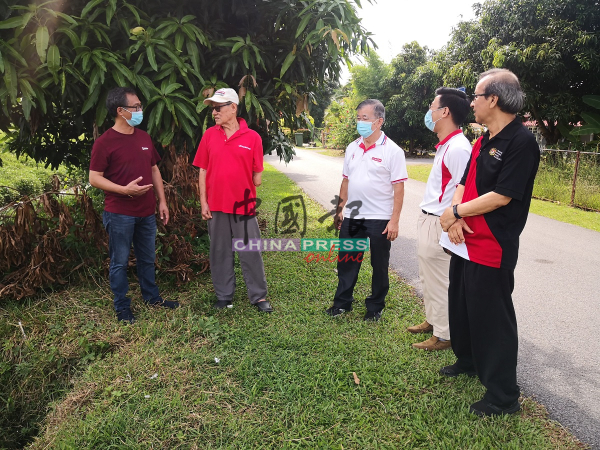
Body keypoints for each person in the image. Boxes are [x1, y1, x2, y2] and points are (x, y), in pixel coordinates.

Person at [439, 69, 540, 417]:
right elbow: (464, 180)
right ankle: (467, 361)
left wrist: (454, 212)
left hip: (492, 244)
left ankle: (503, 396)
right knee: (462, 305)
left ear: (493, 99)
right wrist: (457, 217)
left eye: (477, 97)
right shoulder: (483, 139)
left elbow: (502, 196)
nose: (472, 103)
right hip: (465, 238)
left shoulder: (521, 142)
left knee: (492, 318)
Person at [89, 87, 179, 324]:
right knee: (119, 262)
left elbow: (154, 169)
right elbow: (94, 177)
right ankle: (122, 308)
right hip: (119, 214)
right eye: (136, 107)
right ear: (120, 111)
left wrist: (162, 201)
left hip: (147, 212)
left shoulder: (144, 138)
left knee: (147, 258)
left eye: (140, 106)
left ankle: (152, 298)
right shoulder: (104, 142)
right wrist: (124, 190)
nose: (140, 110)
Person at [326, 99, 407, 322]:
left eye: (365, 118)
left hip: (380, 217)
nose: (360, 122)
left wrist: (395, 220)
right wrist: (339, 210)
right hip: (353, 217)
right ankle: (342, 303)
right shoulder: (352, 147)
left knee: (379, 265)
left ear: (379, 121)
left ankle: (374, 307)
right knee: (347, 261)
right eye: (358, 118)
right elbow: (345, 181)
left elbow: (398, 188)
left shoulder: (393, 151)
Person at [192, 88, 272, 313]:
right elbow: (202, 170)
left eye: (218, 108)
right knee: (219, 251)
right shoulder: (209, 135)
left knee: (250, 251)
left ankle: (258, 296)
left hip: (243, 206)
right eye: (212, 109)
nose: (214, 113)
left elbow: (258, 177)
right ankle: (224, 296)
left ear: (233, 108)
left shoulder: (253, 138)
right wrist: (203, 202)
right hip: (215, 205)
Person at [408, 88, 471, 351]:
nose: (429, 112)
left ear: (445, 112)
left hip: (440, 223)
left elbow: (465, 189)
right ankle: (433, 321)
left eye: (433, 107)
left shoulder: (458, 148)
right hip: (429, 220)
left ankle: (444, 335)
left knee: (439, 280)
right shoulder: (447, 144)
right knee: (428, 277)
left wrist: (454, 220)